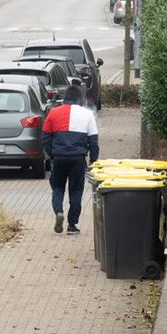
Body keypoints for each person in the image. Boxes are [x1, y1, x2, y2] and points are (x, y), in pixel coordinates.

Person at [41, 85, 99, 234]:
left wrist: (52, 154)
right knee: (76, 190)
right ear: (80, 99)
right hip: (78, 159)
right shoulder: (87, 114)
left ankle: (59, 211)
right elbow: (93, 141)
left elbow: (45, 137)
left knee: (57, 187)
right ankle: (72, 225)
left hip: (59, 158)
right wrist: (93, 160)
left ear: (65, 97)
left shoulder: (53, 113)